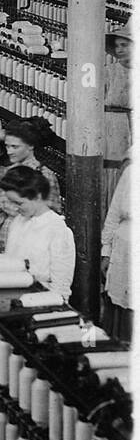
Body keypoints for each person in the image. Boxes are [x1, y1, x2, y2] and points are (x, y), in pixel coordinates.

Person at [0, 165, 75, 302]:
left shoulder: (57, 229)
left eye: (19, 203)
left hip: (40, 300)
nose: (15, 208)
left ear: (38, 196)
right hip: (12, 293)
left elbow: (61, 287)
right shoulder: (18, 221)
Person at [0, 116, 62, 213]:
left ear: (30, 146)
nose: (9, 152)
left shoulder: (44, 175)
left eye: (15, 147)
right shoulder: (8, 170)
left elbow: (52, 211)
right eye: (7, 146)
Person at [100, 161, 131, 341]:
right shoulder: (132, 172)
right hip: (125, 251)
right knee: (122, 303)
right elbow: (113, 214)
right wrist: (106, 251)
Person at [103, 26, 131, 208]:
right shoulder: (109, 72)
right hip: (114, 126)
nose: (119, 49)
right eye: (117, 46)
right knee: (113, 171)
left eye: (124, 45)